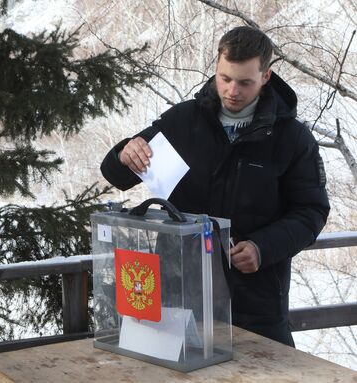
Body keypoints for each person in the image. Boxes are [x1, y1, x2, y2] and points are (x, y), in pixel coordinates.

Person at [100, 26, 330, 347]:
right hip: (176, 292)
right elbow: (119, 175)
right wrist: (125, 154)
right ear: (216, 69)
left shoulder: (292, 138)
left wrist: (263, 247)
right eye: (225, 78)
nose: (232, 90)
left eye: (245, 82)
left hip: (255, 301)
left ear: (266, 76)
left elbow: (311, 212)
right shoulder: (183, 120)